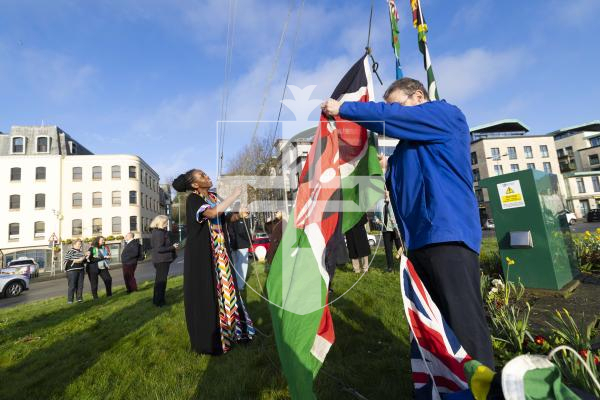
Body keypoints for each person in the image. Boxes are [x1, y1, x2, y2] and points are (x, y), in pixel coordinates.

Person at [321, 77, 495, 368]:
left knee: (464, 329)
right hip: (419, 244)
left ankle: (483, 390)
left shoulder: (446, 115)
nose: (392, 112)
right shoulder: (406, 148)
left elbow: (395, 118)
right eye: (389, 107)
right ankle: (446, 388)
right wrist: (387, 168)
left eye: (396, 105)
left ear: (418, 96)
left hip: (447, 238)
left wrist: (343, 109)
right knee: (434, 329)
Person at [173, 169, 254, 355]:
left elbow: (223, 217)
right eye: (202, 176)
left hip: (220, 254)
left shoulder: (213, 196)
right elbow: (211, 214)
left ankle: (236, 331)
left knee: (228, 291)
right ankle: (213, 339)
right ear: (194, 184)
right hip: (203, 256)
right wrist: (234, 195)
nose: (207, 177)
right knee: (209, 294)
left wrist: (238, 215)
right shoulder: (193, 200)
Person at [150, 215, 178, 306]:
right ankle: (160, 302)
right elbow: (159, 249)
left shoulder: (157, 232)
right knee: (161, 282)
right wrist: (172, 247)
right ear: (161, 222)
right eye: (165, 222)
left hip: (160, 260)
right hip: (162, 260)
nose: (167, 223)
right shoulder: (159, 233)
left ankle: (157, 300)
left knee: (159, 281)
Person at [375, 190, 402, 272]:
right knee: (388, 248)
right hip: (385, 228)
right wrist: (376, 220)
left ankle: (403, 266)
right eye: (385, 191)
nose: (386, 193)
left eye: (387, 191)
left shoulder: (395, 201)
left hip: (396, 228)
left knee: (400, 247)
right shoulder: (379, 202)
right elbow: (376, 215)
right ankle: (390, 267)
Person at [227, 205, 251, 291]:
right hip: (240, 245)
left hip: (236, 245)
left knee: (237, 265)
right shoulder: (236, 219)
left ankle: (236, 284)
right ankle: (239, 285)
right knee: (241, 266)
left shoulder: (232, 218)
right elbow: (242, 232)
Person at [64, 239, 87, 303]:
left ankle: (79, 299)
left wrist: (86, 257)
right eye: (79, 244)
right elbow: (66, 261)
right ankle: (70, 300)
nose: (80, 245)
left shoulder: (81, 252)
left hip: (81, 270)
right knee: (72, 285)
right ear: (74, 245)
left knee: (80, 285)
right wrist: (76, 261)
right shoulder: (70, 251)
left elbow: (83, 261)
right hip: (72, 271)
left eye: (81, 244)